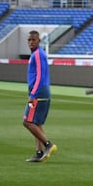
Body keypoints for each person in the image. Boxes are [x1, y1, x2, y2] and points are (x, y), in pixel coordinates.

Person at [23, 30, 57, 162]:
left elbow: (40, 77)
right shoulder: (36, 54)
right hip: (41, 93)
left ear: (39, 41)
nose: (31, 42)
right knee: (37, 123)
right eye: (29, 40)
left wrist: (32, 94)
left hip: (39, 94)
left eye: (33, 40)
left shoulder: (38, 55)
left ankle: (49, 145)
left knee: (27, 122)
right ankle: (39, 152)